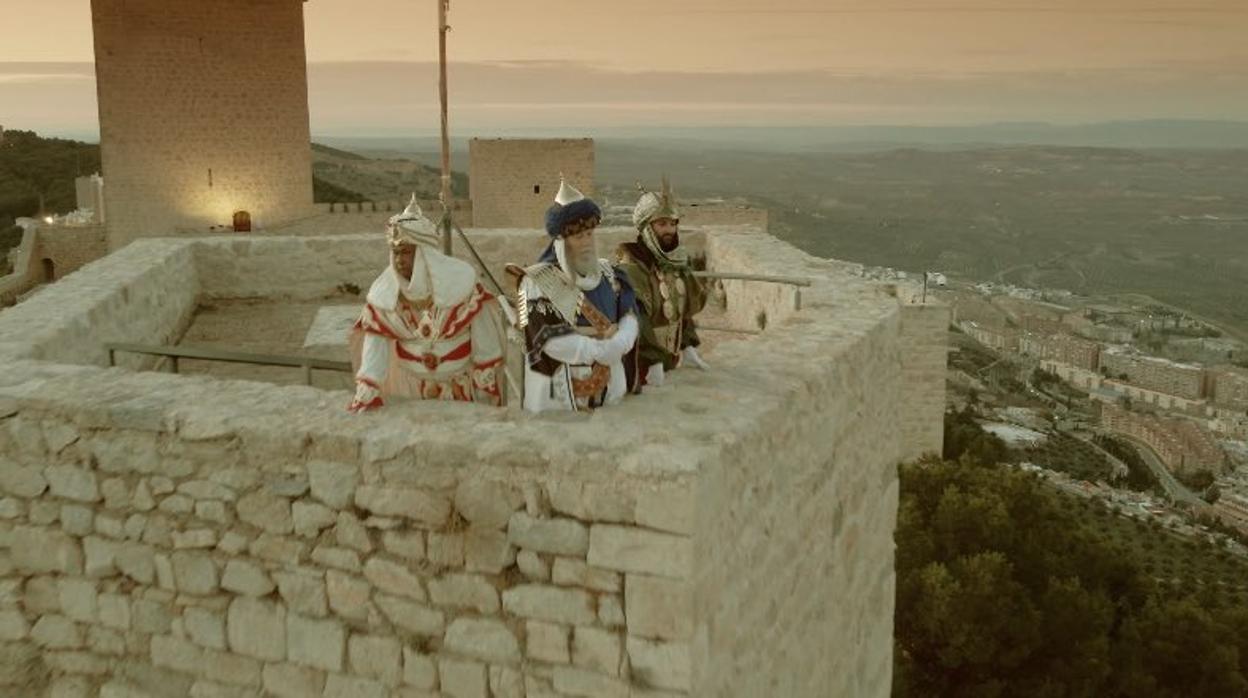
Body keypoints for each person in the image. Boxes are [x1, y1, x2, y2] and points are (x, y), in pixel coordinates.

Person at [347, 196, 506, 412]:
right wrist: (367, 392)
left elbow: (486, 346)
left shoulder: (464, 288)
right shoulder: (383, 297)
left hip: (460, 392)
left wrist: (485, 392)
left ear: (425, 254)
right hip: (411, 394)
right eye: (395, 252)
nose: (399, 260)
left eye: (405, 252)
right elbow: (374, 357)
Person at [517, 178, 638, 412]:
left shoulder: (608, 273)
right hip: (561, 392)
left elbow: (629, 311)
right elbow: (544, 339)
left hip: (610, 383)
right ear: (562, 241)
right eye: (578, 236)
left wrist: (623, 340)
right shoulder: (537, 282)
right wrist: (598, 350)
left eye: (590, 234)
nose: (586, 243)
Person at [617, 177, 709, 387]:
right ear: (647, 228)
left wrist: (687, 346)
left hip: (669, 360)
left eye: (672, 223)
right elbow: (636, 316)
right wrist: (652, 361)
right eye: (661, 224)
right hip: (641, 365)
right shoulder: (631, 267)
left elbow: (679, 310)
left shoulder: (673, 262)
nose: (669, 230)